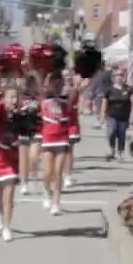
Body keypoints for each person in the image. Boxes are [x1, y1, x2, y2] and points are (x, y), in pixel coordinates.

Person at [37, 72, 75, 216]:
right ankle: (46, 191)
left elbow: (74, 91)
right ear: (50, 86)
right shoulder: (44, 101)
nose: (58, 87)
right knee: (48, 172)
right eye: (55, 85)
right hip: (48, 138)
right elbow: (42, 86)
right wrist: (47, 74)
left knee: (58, 172)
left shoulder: (66, 100)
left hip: (62, 138)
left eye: (60, 84)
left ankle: (56, 202)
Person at [0, 85, 21, 241]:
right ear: (4, 99)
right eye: (11, 97)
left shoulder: (20, 116)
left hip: (12, 161)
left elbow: (26, 136)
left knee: (9, 196)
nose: (14, 100)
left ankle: (7, 227)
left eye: (16, 97)